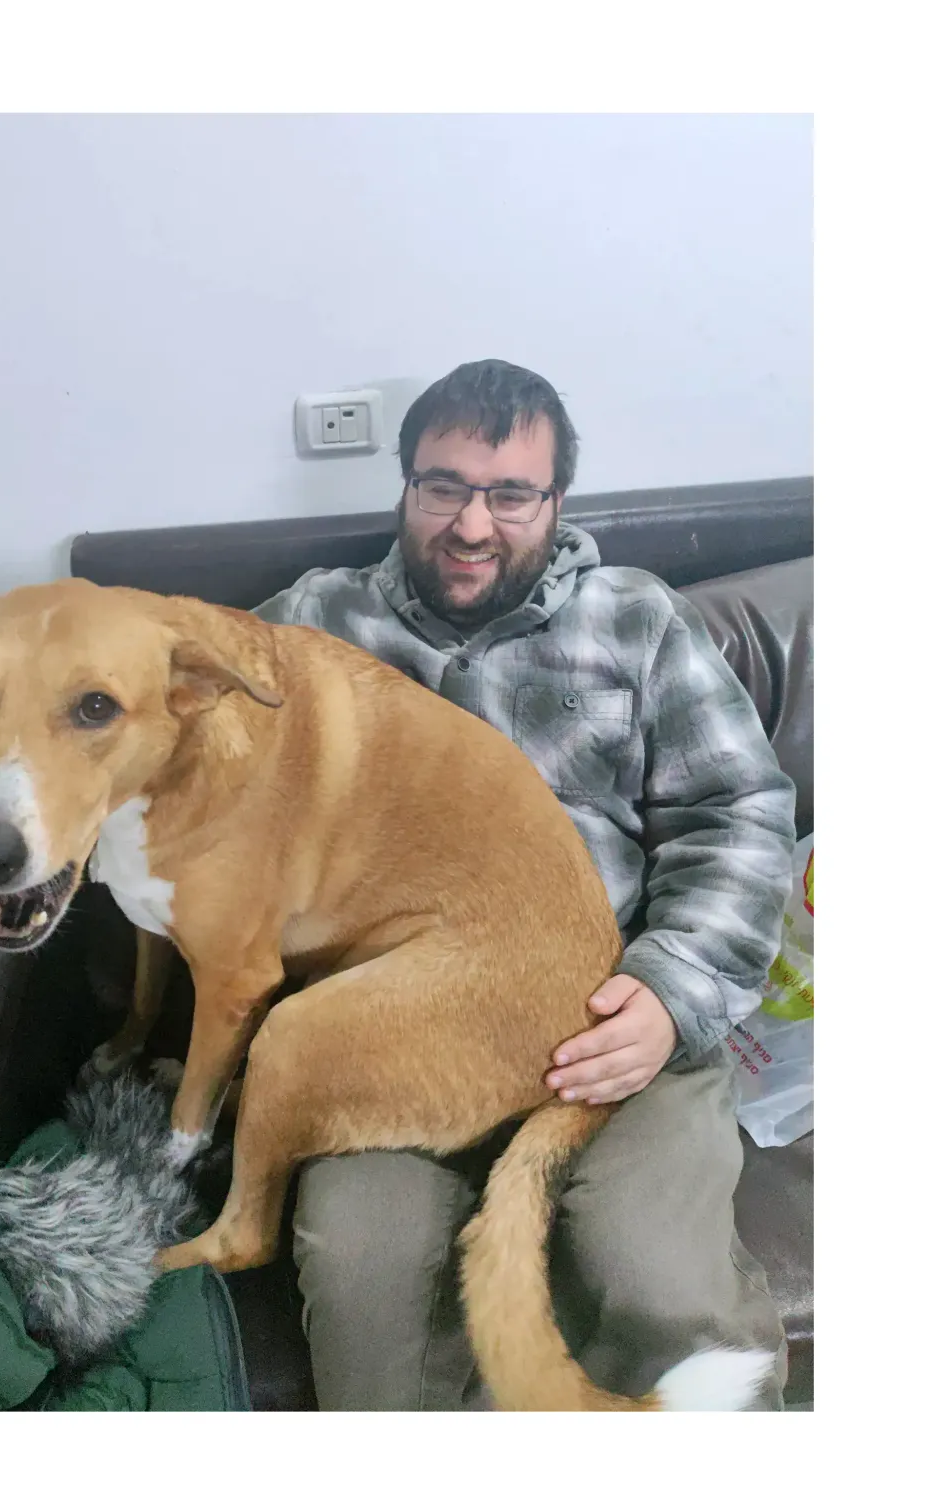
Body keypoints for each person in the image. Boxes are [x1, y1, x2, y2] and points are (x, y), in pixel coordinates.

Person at [253, 358, 797, 1411]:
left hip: (606, 1031)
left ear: (557, 502)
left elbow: (737, 814)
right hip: (388, 1038)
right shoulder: (314, 623)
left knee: (658, 1280)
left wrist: (670, 994)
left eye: (510, 495)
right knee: (359, 1274)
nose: (471, 525)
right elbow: (180, 724)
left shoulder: (637, 621)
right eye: (444, 487)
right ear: (405, 486)